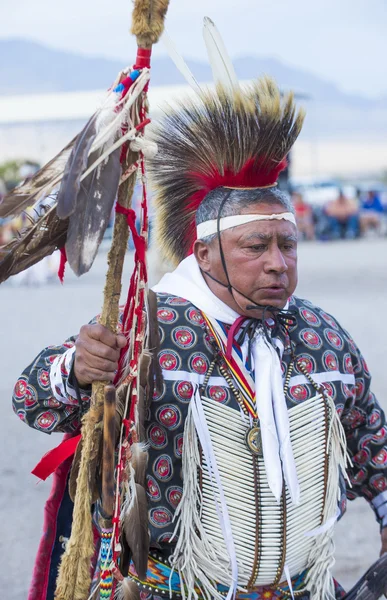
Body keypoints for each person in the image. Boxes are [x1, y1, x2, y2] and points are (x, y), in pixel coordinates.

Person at [13, 77, 387, 600]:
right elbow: (31, 398)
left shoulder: (321, 337)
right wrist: (77, 367)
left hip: (302, 588)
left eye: (287, 244)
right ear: (205, 253)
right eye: (256, 246)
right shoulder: (150, 329)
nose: (277, 263)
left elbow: (371, 441)